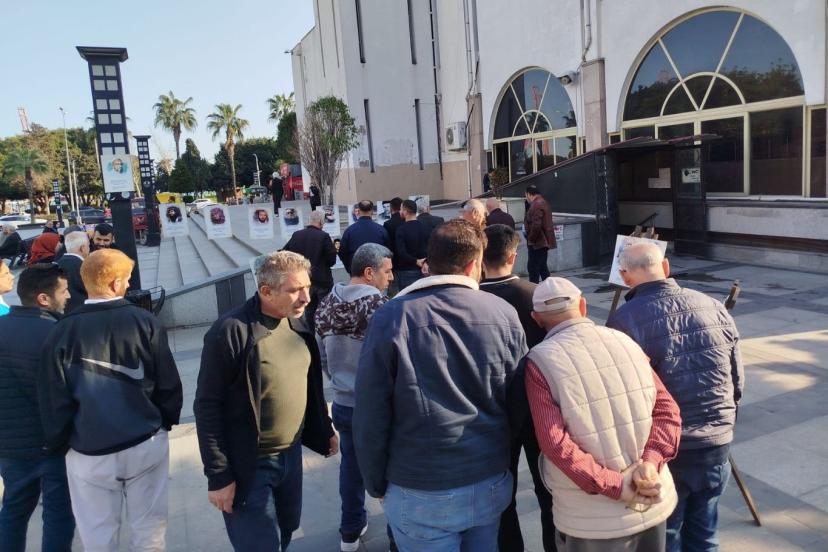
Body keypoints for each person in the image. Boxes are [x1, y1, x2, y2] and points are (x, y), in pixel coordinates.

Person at [354, 220, 527, 552]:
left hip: (420, 488)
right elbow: (518, 400)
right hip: (487, 478)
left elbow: (370, 412)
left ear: (428, 263)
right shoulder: (504, 314)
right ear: (474, 265)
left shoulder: (392, 317)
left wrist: (374, 481)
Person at [39, 249, 183, 551]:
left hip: (89, 450)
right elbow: (168, 383)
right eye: (127, 280)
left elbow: (54, 398)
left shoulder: (61, 331)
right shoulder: (145, 321)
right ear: (116, 283)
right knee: (149, 532)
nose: (129, 285)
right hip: (145, 440)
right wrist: (164, 422)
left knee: (98, 536)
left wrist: (60, 442)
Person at [194, 251, 337, 552]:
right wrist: (218, 475)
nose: (306, 297)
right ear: (266, 291)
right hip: (250, 464)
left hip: (291, 456)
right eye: (295, 290)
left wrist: (324, 429)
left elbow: (309, 384)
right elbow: (207, 406)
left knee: (285, 532)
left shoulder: (297, 322)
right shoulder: (230, 331)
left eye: (307, 287)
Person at [526, 277, 682, 552]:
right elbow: (668, 410)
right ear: (583, 306)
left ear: (536, 319)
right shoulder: (625, 341)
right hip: (652, 498)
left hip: (591, 521)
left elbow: (554, 444)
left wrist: (616, 485)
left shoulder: (539, 362)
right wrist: (651, 462)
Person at [607, 242, 744, 552]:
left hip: (666, 449)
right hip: (716, 442)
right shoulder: (713, 305)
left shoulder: (623, 321)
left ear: (625, 276)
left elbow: (626, 396)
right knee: (705, 534)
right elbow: (736, 380)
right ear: (665, 267)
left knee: (668, 535)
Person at [315, 243, 394, 552]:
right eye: (387, 271)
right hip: (378, 406)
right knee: (390, 470)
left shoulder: (326, 303)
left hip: (343, 403)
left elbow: (322, 357)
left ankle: (349, 533)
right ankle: (397, 534)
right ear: (369, 272)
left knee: (351, 468)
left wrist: (339, 381)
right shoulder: (381, 306)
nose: (391, 277)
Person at [479, 224, 554, 552]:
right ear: (513, 255)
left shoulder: (472, 301)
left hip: (494, 412)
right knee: (549, 492)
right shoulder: (537, 295)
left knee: (501, 498)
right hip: (540, 411)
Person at [0, 264, 74, 552]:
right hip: (51, 445)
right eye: (63, 291)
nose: (68, 296)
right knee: (58, 515)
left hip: (9, 446)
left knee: (13, 512)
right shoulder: (56, 333)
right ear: (43, 298)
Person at [283, 210, 338, 330]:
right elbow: (332, 260)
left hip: (303, 280)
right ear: (321, 222)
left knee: (309, 309)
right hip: (322, 280)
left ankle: (312, 332)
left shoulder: (297, 235)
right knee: (325, 308)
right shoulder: (324, 236)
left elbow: (285, 253)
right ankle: (324, 332)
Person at [338, 200, 389, 274]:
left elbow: (342, 252)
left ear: (358, 211)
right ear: (372, 211)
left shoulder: (349, 231)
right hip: (377, 271)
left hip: (357, 271)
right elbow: (388, 252)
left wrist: (350, 268)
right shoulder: (381, 230)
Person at [394, 199, 431, 290]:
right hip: (424, 269)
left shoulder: (401, 230)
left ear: (405, 212)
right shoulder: (425, 227)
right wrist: (425, 261)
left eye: (401, 209)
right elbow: (431, 247)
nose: (400, 212)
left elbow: (401, 252)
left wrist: (415, 261)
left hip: (406, 271)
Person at [524, 184, 556, 283]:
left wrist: (531, 239)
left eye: (526, 196)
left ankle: (533, 290)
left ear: (529, 194)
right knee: (542, 267)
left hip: (538, 243)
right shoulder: (543, 202)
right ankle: (549, 288)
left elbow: (536, 225)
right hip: (542, 242)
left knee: (533, 268)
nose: (526, 198)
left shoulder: (536, 205)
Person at [57, 230, 90, 314]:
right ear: (82, 248)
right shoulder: (86, 267)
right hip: (84, 313)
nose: (89, 249)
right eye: (88, 246)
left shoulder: (55, 265)